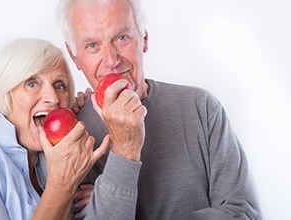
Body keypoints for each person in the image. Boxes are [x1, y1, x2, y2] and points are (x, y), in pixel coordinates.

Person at [44, 0, 263, 219]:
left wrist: (121, 203)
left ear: (144, 39)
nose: (112, 60)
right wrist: (125, 148)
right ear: (75, 57)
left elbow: (243, 213)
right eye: (92, 45)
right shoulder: (69, 138)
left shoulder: (201, 107)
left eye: (122, 38)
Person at [0, 38, 110, 220]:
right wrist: (61, 186)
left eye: (59, 85)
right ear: (2, 92)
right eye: (32, 83)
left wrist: (98, 202)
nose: (53, 98)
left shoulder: (57, 161)